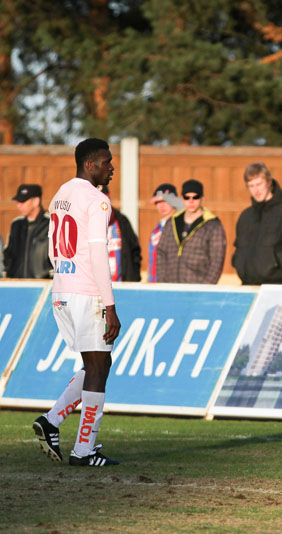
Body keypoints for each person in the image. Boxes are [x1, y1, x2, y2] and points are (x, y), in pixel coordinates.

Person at [32, 138, 121, 467]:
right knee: (99, 367)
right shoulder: (97, 200)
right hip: (87, 291)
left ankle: (52, 420)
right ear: (89, 164)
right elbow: (98, 254)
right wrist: (109, 305)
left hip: (62, 291)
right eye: (106, 161)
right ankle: (84, 450)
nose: (111, 167)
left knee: (98, 364)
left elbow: (54, 249)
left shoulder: (60, 195)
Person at [232, 163, 282, 285]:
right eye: (251, 186)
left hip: (274, 285)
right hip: (246, 284)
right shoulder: (246, 216)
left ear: (268, 182)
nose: (256, 190)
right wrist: (238, 262)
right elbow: (239, 248)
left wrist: (275, 261)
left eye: (259, 184)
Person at [156, 179, 227, 284]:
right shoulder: (172, 222)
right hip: (171, 287)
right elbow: (161, 253)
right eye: (187, 197)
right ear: (182, 199)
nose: (191, 201)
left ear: (202, 199)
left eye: (195, 197)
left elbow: (216, 262)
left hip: (197, 288)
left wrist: (205, 288)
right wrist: (163, 282)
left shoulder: (213, 226)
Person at [4, 184, 51, 279]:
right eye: (18, 202)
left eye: (23, 202)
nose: (19, 206)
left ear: (36, 201)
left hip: (44, 285)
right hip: (16, 284)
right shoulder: (16, 224)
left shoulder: (51, 223)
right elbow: (8, 254)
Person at [102, 187, 141, 282]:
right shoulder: (85, 224)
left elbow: (135, 251)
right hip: (95, 288)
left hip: (121, 284)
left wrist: (133, 278)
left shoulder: (122, 221)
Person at [147, 183, 182, 282]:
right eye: (158, 202)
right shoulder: (158, 228)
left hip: (172, 282)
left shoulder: (181, 223)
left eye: (165, 201)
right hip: (155, 281)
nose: (162, 205)